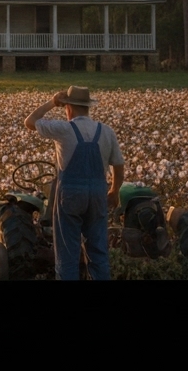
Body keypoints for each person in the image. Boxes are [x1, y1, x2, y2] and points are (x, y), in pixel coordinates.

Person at [23, 85, 124, 280]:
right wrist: (114, 190)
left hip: (69, 195)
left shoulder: (64, 129)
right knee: (98, 253)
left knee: (67, 254)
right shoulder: (106, 131)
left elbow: (30, 121)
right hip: (97, 194)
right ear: (88, 107)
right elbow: (118, 166)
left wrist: (53, 102)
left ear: (68, 108)